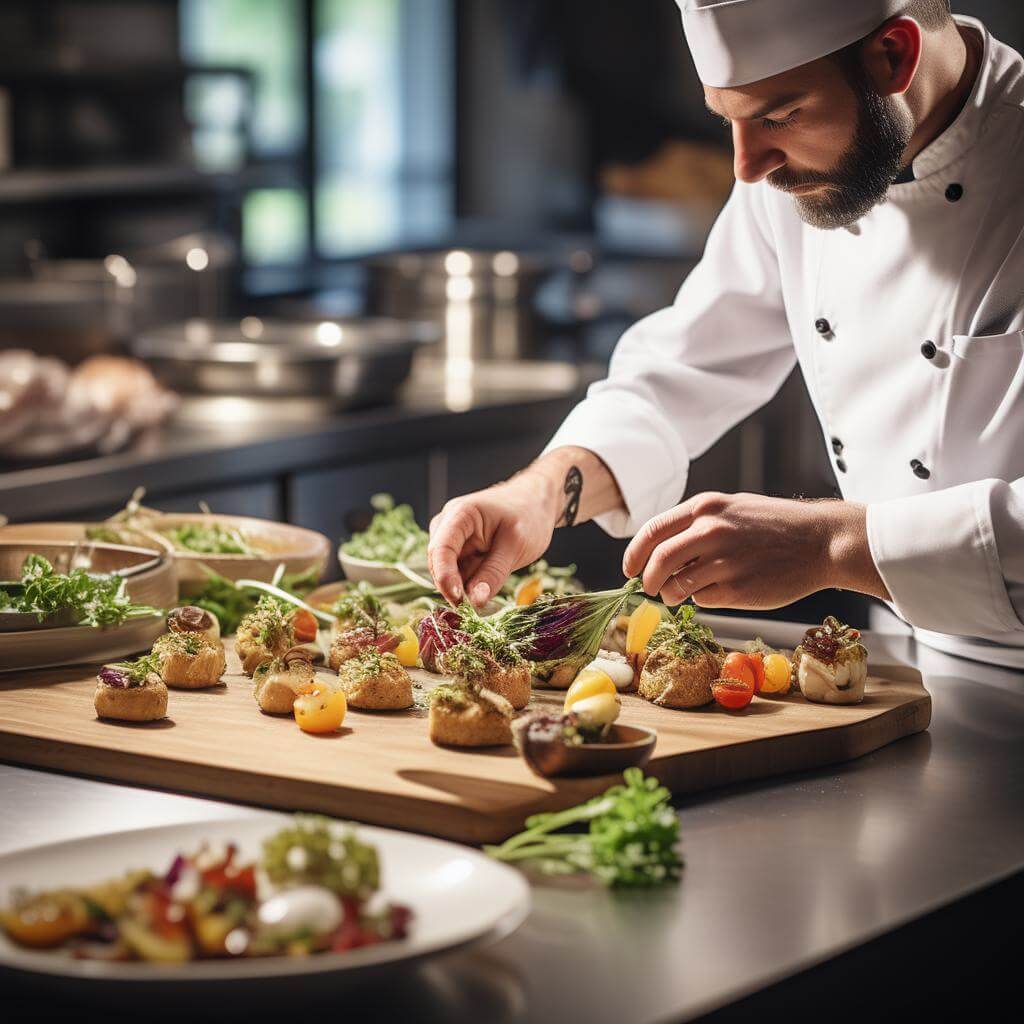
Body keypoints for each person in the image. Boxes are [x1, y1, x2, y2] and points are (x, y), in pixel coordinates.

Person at [428, 0, 1024, 666]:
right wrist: (538, 494)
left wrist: (834, 546)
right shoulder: (791, 173)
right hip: (913, 668)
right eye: (728, 120)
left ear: (895, 55)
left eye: (778, 115)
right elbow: (685, 370)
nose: (746, 167)